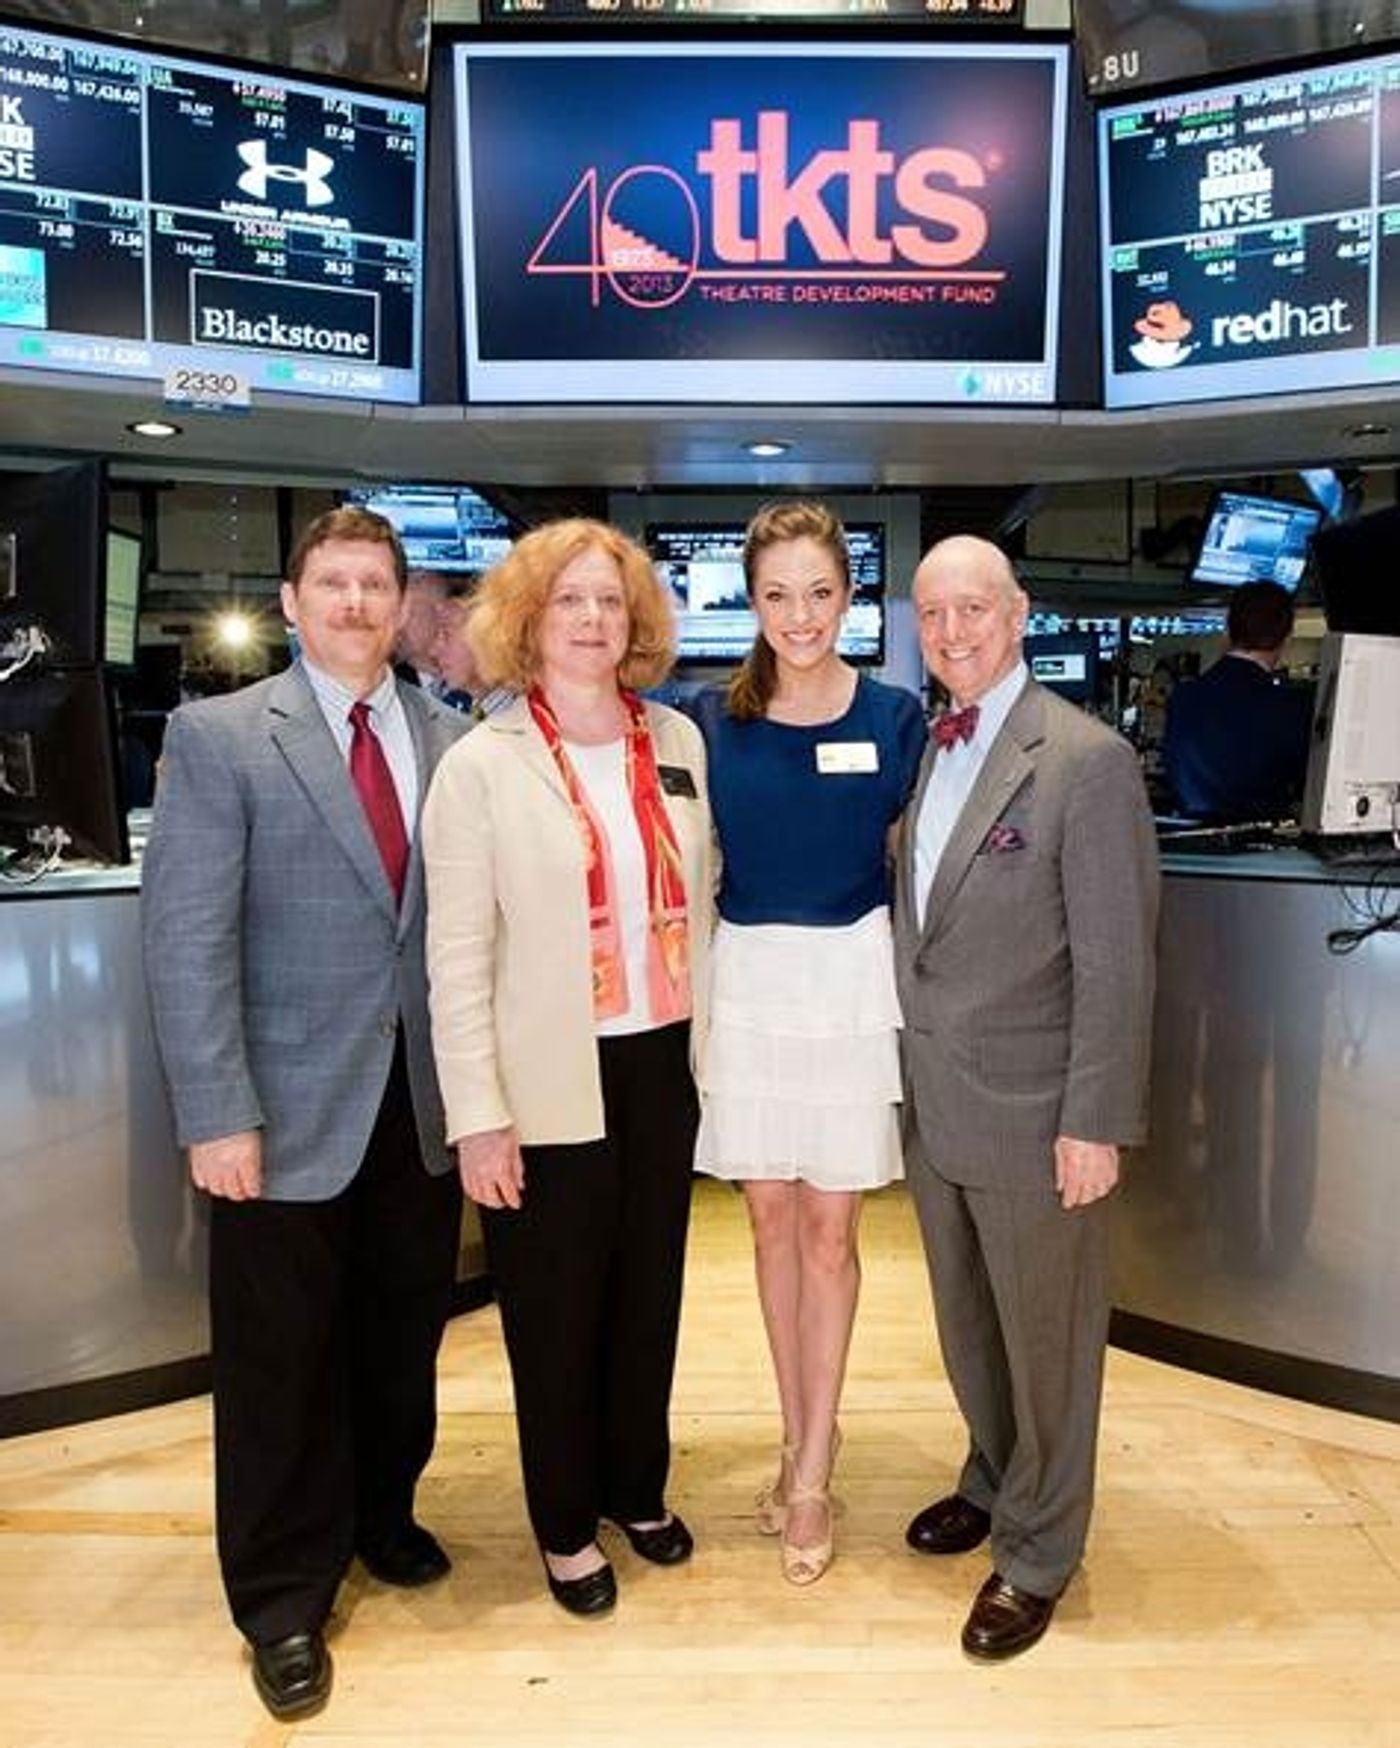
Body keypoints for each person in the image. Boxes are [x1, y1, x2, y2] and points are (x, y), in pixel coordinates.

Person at [141, 507, 467, 1720]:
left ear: (400, 604)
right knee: (279, 1362)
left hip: (417, 1106)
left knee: (400, 1339)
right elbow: (184, 941)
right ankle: (280, 1594)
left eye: (373, 583)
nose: (352, 604)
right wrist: (216, 1109)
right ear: (291, 602)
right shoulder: (222, 737)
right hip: (275, 1111)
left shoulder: (448, 735)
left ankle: (380, 1515)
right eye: (330, 583)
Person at [421, 518, 713, 1617]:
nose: (592, 621)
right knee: (552, 1309)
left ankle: (633, 1484)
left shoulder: (677, 740)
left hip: (659, 1064)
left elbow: (707, 901)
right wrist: (477, 1116)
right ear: (527, 619)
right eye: (569, 601)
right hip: (543, 1076)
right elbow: (455, 956)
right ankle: (560, 1521)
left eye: (609, 601)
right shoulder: (481, 765)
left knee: (649, 1294)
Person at [895, 534, 1158, 1661]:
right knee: (970, 1326)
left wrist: (1093, 1119)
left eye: (972, 609)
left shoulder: (1081, 760)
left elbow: (1116, 958)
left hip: (1038, 1105)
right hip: (937, 1101)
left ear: (1016, 613)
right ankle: (994, 1475)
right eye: (932, 613)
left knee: (1045, 1341)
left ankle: (1040, 1547)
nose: (951, 631)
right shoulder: (925, 741)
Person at [690, 499, 925, 1587]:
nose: (799, 615)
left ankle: (816, 1466)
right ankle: (792, 1438)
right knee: (769, 1227)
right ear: (752, 599)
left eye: (819, 592)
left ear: (850, 595)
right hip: (746, 982)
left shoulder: (894, 718)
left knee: (832, 1236)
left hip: (844, 981)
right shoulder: (706, 720)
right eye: (777, 593)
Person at [1162, 580, 1314, 822]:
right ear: (1286, 640)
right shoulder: (1293, 707)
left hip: (1188, 850)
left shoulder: (1182, 698)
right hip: (1264, 851)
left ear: (1227, 632)